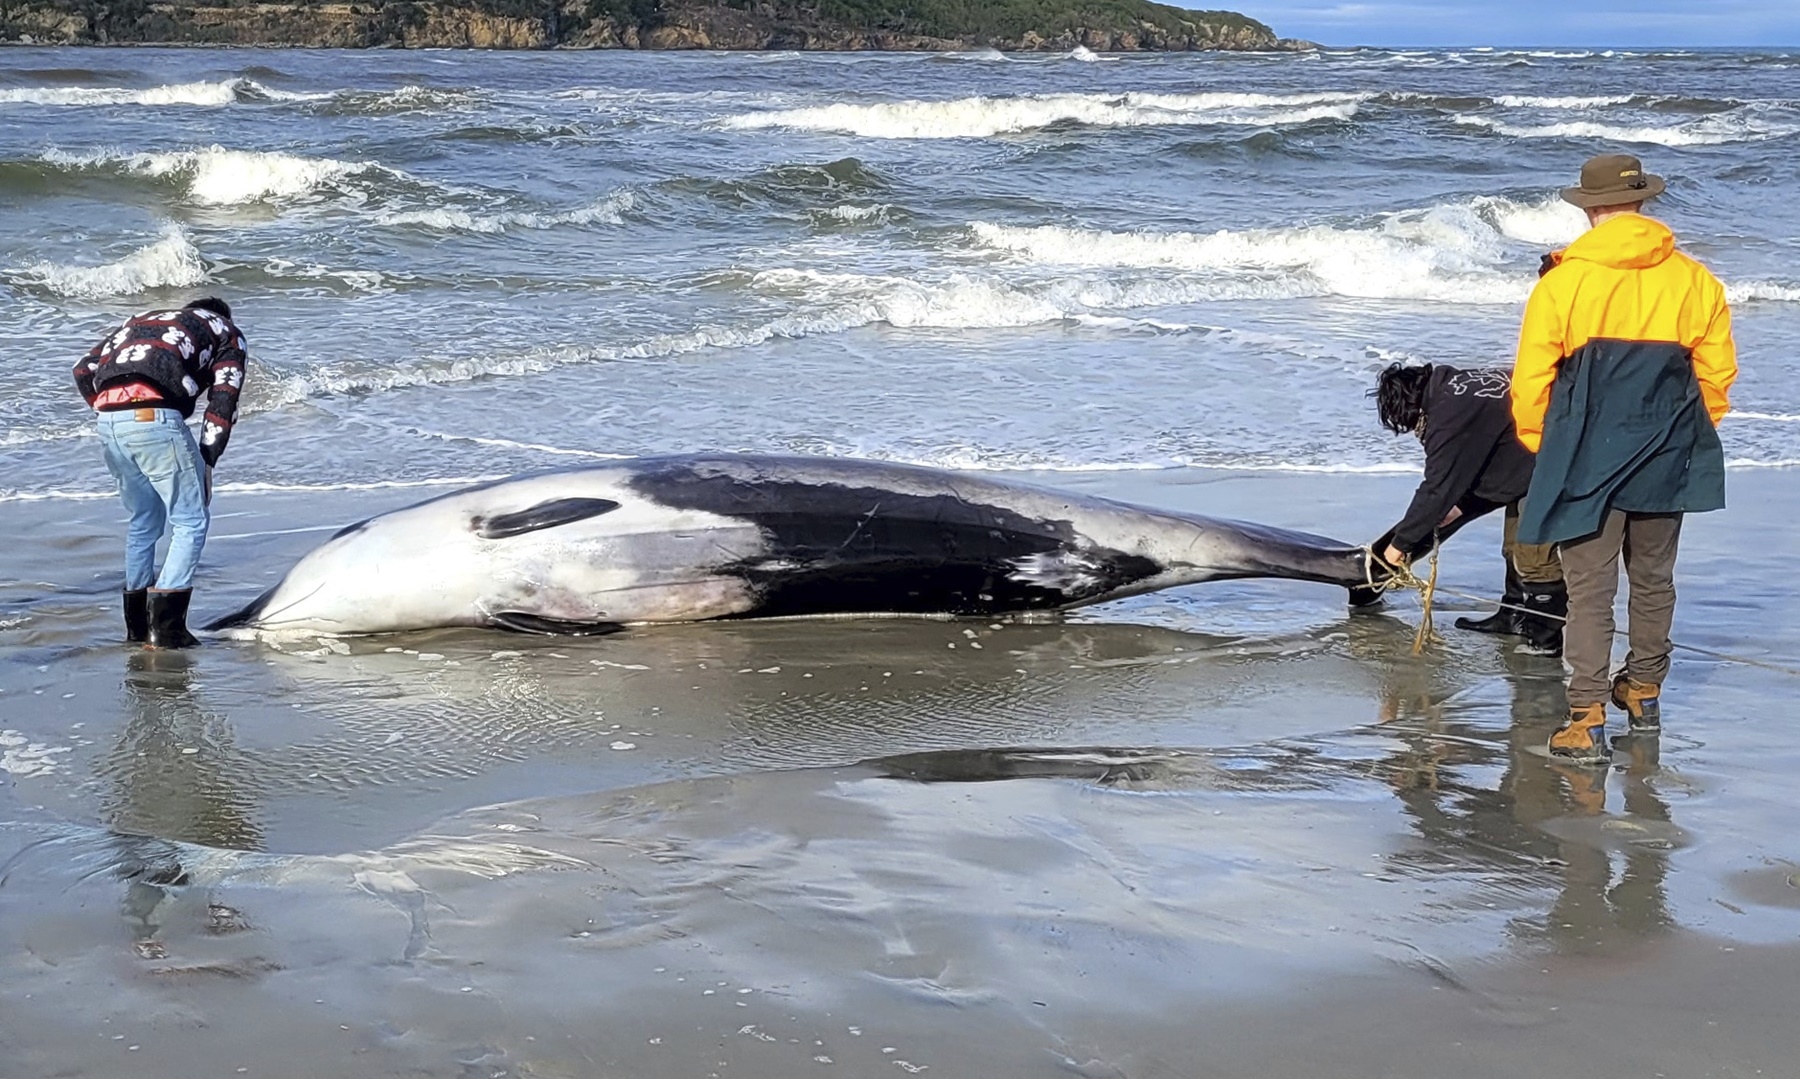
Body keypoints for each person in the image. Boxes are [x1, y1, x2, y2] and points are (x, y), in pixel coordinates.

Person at [1511, 154, 1736, 765]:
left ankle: (1585, 720)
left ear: (1590, 210)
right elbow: (1717, 378)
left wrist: (1544, 446)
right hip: (1667, 450)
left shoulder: (1563, 282)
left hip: (1584, 454)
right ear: (1641, 206)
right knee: (1654, 579)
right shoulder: (1696, 281)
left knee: (1589, 590)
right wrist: (1680, 433)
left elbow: (1530, 381)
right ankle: (1643, 690)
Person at [73, 298, 248, 649]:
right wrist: (208, 459)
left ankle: (136, 628)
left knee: (143, 520)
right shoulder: (226, 331)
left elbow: (83, 368)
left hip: (109, 423)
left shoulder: (140, 320)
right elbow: (223, 399)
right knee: (191, 520)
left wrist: (108, 410)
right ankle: (166, 629)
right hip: (155, 420)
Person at [1369, 361, 1565, 653]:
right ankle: (1512, 615)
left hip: (1558, 457)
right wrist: (1462, 506)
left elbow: (1437, 488)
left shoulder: (1450, 415)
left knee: (1533, 555)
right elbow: (1493, 456)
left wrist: (1396, 549)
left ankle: (1545, 642)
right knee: (1514, 547)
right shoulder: (1455, 387)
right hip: (1532, 454)